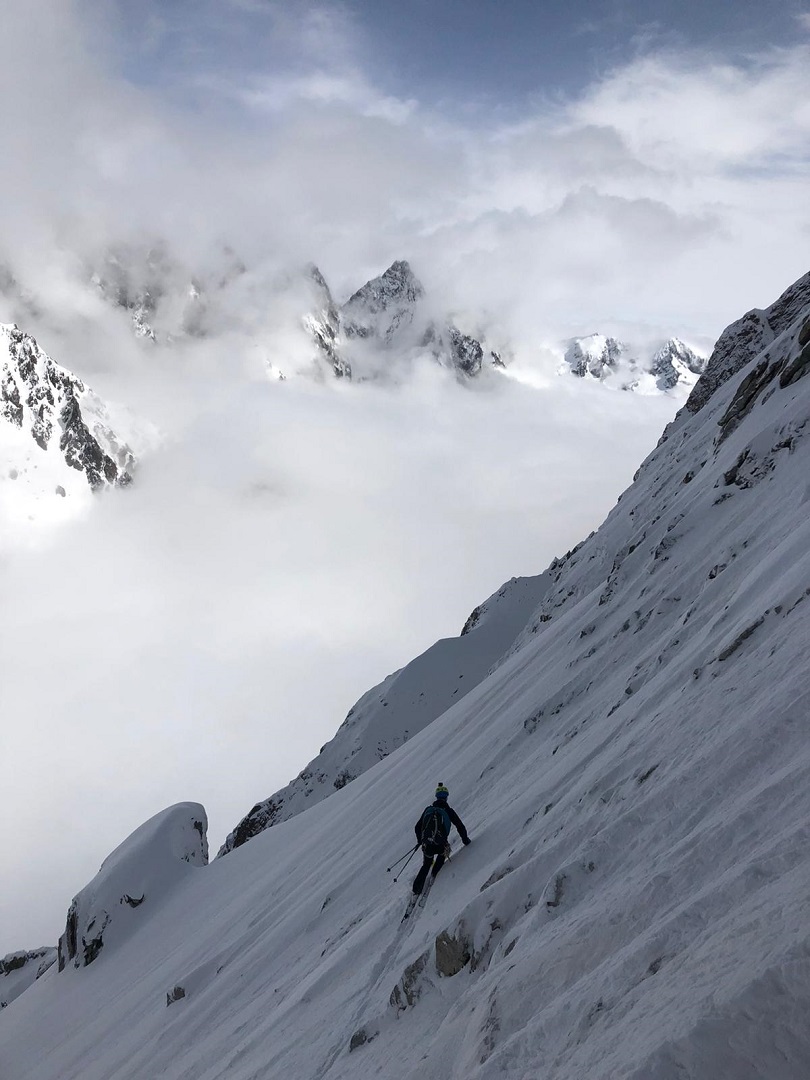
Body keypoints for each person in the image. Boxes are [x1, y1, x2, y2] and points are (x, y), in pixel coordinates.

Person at [412, 783, 470, 894]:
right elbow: (460, 826)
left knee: (426, 864)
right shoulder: (448, 811)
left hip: (427, 844)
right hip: (441, 844)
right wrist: (465, 840)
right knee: (444, 852)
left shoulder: (428, 809)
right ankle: (435, 873)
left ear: (437, 797)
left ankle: (416, 889)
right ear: (446, 797)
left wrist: (420, 840)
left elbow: (417, 827)